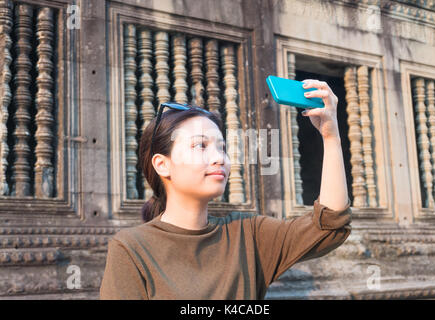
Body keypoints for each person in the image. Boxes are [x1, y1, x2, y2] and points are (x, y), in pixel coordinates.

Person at [99, 79, 352, 300]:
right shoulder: (131, 249)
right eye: (201, 145)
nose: (219, 158)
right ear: (162, 165)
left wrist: (331, 137)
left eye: (222, 148)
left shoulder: (249, 234)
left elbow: (329, 225)